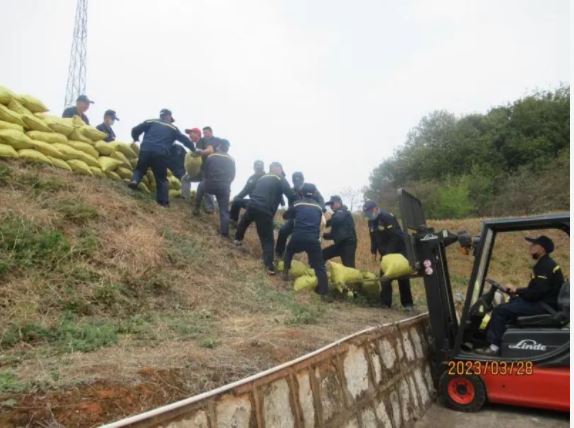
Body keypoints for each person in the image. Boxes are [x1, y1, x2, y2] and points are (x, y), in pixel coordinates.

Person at [478, 236, 564, 356]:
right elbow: (536, 290)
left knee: (500, 310)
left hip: (543, 306)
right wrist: (517, 292)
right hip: (543, 303)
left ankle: (494, 347)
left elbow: (536, 293)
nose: (530, 247)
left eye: (534, 245)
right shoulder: (545, 264)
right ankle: (497, 340)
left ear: (542, 249)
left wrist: (517, 290)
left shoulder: (545, 266)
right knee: (511, 303)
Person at [234, 162, 295, 274]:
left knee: (245, 220)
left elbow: (252, 190)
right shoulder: (280, 178)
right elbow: (291, 195)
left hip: (252, 205)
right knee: (268, 240)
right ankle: (268, 265)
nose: (282, 173)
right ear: (278, 169)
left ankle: (237, 240)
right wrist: (295, 208)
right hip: (265, 210)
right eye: (281, 170)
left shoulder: (262, 178)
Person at [129, 109, 196, 207]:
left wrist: (135, 138)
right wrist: (193, 149)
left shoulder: (150, 121)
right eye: (170, 119)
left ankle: (134, 181)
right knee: (161, 178)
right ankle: (163, 202)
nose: (170, 121)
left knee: (140, 168)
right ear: (168, 116)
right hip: (161, 153)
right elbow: (185, 140)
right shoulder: (173, 128)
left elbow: (135, 130)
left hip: (146, 149)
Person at [363, 200, 414, 310]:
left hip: (398, 251)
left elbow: (396, 237)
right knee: (384, 278)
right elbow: (373, 238)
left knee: (402, 277)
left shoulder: (387, 217)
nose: (368, 215)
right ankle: (385, 303)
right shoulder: (371, 221)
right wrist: (373, 252)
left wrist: (388, 253)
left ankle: (407, 304)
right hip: (385, 253)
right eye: (366, 213)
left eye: (369, 212)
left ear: (375, 209)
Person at [282, 183, 329, 295]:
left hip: (298, 237)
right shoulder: (319, 207)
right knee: (320, 266)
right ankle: (323, 291)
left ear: (301, 192)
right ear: (314, 193)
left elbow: (285, 216)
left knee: (289, 251)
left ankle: (285, 274)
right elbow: (322, 220)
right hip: (313, 240)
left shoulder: (297, 204)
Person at [275, 171, 325, 258]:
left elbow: (321, 202)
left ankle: (315, 259)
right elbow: (290, 206)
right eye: (295, 181)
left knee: (316, 238)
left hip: (311, 219)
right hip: (296, 218)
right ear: (293, 181)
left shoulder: (311, 189)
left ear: (303, 180)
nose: (297, 183)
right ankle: (279, 254)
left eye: (299, 180)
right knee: (283, 231)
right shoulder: (291, 191)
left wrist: (318, 210)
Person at [193, 140, 235, 237]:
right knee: (224, 210)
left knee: (201, 186)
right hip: (224, 187)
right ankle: (224, 232)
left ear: (219, 146)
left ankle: (196, 209)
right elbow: (232, 175)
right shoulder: (231, 160)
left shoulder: (211, 156)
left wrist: (208, 180)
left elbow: (205, 171)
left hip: (210, 184)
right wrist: (227, 183)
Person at [322, 195, 357, 268]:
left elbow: (337, 219)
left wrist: (325, 223)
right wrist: (323, 235)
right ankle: (319, 272)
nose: (331, 206)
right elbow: (335, 234)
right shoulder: (336, 215)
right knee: (322, 254)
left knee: (349, 268)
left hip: (348, 245)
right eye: (330, 205)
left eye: (332, 204)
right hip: (340, 245)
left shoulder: (343, 211)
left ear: (339, 203)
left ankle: (353, 275)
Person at [230, 160, 265, 224]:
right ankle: (233, 222)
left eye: (260, 168)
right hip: (252, 202)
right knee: (236, 201)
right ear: (254, 168)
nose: (258, 169)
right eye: (257, 167)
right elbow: (245, 191)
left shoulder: (267, 178)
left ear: (263, 168)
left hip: (264, 204)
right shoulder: (252, 178)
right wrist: (236, 198)